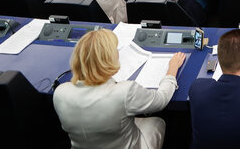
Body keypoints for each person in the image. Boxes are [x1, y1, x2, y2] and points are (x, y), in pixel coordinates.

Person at [53, 29, 185, 149]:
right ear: (108, 58)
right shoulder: (125, 91)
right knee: (157, 121)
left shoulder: (60, 92)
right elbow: (161, 100)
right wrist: (172, 69)